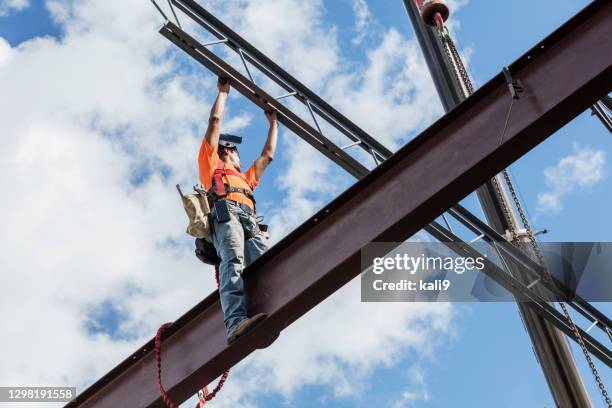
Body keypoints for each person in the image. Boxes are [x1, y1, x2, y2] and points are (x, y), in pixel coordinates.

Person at [198, 77, 278, 345]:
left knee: (268, 262)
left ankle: (274, 305)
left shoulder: (244, 178)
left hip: (248, 219)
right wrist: (222, 93)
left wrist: (273, 123)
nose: (239, 155)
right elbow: (215, 123)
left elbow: (268, 156)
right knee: (232, 261)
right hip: (226, 214)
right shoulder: (211, 164)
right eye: (235, 151)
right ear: (227, 151)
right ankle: (235, 323)